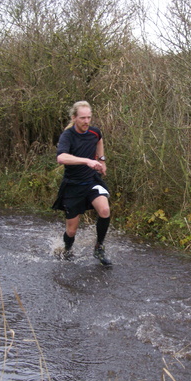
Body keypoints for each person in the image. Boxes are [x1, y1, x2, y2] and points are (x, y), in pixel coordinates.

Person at [52, 101, 112, 266]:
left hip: (91, 181)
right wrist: (87, 161)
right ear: (74, 118)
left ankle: (99, 248)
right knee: (71, 231)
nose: (86, 121)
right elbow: (61, 157)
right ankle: (67, 249)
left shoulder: (94, 132)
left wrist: (101, 160)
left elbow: (99, 140)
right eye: (83, 118)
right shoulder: (68, 135)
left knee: (105, 210)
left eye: (89, 117)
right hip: (73, 185)